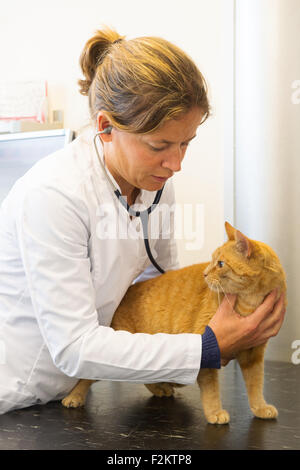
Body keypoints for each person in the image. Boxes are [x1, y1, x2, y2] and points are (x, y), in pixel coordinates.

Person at [0, 27, 286, 414]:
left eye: (186, 142)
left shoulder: (156, 184)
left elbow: (159, 286)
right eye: (159, 146)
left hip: (82, 391)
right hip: (23, 392)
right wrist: (207, 346)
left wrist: (225, 315)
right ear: (106, 127)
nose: (176, 164)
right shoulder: (54, 195)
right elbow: (74, 346)